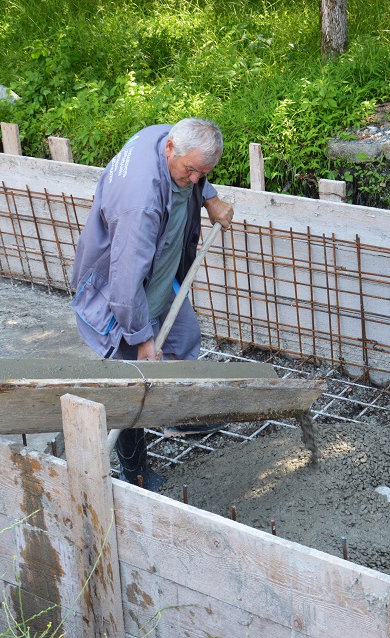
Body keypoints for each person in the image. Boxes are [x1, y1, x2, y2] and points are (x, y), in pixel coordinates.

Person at [70, 118, 234, 491]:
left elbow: (194, 172)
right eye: (191, 171)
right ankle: (135, 471)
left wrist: (210, 198)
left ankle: (177, 415)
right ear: (170, 149)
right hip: (120, 292)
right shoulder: (140, 203)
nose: (195, 178)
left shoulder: (168, 138)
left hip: (158, 274)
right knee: (131, 375)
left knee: (184, 337)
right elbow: (125, 282)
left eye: (204, 173)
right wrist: (142, 339)